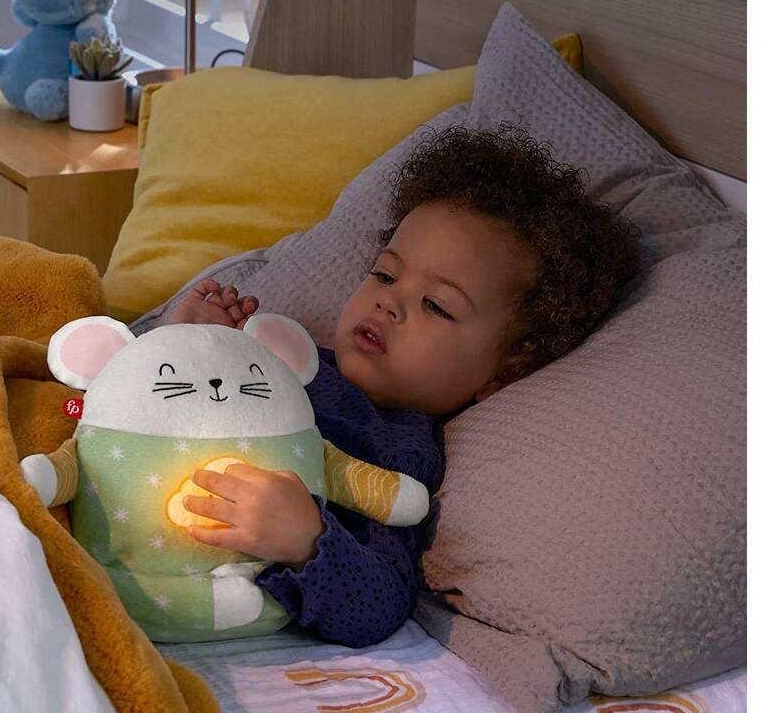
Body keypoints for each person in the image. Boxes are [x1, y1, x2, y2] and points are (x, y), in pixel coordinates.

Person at [163, 122, 641, 647]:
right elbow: (124, 413)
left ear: (505, 369)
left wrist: (306, 542)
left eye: (436, 305)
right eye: (385, 275)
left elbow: (381, 603)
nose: (388, 301)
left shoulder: (395, 450)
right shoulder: (282, 358)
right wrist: (181, 344)